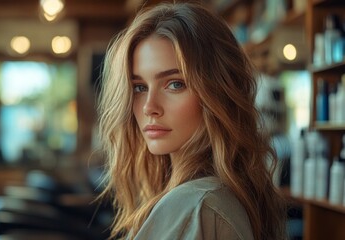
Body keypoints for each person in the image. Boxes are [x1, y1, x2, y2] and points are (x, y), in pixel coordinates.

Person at [96, 2, 286, 240]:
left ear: (217, 93)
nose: (149, 107)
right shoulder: (216, 197)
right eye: (139, 87)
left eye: (175, 84)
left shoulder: (196, 205)